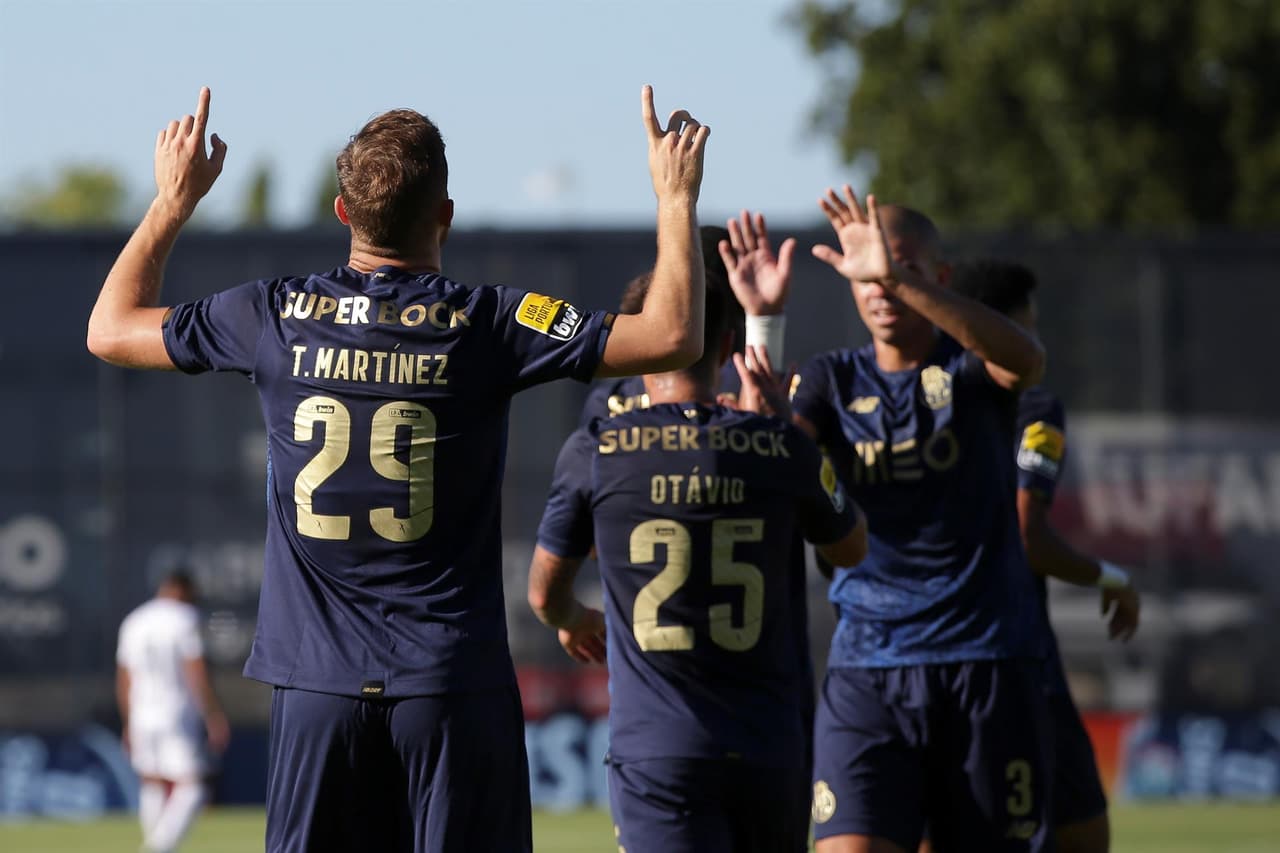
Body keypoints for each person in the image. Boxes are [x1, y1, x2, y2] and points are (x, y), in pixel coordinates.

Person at [87, 85, 710, 853]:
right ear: (444, 214)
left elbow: (111, 330)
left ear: (344, 214)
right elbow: (674, 335)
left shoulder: (276, 314)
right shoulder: (490, 321)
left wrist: (172, 202)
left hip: (317, 688)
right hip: (448, 685)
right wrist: (675, 197)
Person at [528, 273, 868, 853]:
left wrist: (573, 618)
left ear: (641, 342)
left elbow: (544, 595)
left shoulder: (597, 449)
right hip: (770, 743)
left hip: (660, 748)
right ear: (731, 345)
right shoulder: (783, 446)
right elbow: (851, 547)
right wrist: (784, 429)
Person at [790, 188, 1052, 853]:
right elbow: (781, 457)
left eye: (898, 264)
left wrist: (896, 278)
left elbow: (1027, 361)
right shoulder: (831, 379)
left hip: (984, 662)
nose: (875, 281)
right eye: (862, 266)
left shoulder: (969, 370)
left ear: (937, 277)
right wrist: (762, 325)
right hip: (867, 666)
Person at [951, 258, 1141, 853]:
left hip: (913, 659)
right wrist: (1111, 576)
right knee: (1081, 833)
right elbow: (1028, 534)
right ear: (1005, 326)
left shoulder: (914, 400)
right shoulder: (1030, 407)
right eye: (1029, 322)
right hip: (1013, 658)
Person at [116, 571, 229, 853]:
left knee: (152, 780)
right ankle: (159, 847)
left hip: (142, 712)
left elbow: (124, 678)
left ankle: (156, 843)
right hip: (177, 712)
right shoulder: (184, 618)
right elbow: (196, 670)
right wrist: (213, 715)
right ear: (181, 589)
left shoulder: (134, 620)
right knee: (193, 786)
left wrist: (128, 721)